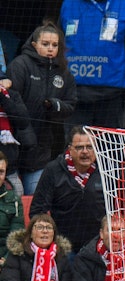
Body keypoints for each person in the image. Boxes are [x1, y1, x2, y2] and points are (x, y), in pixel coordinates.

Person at [7, 21, 77, 196]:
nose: (50, 49)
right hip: (13, 148)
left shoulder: (64, 72)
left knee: (36, 198)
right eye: (45, 44)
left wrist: (54, 105)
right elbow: (11, 100)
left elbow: (71, 105)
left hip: (41, 151)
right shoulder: (20, 65)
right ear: (34, 44)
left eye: (55, 45)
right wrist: (23, 130)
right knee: (16, 194)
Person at [59, 0, 125, 130]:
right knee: (77, 148)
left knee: (109, 149)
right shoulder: (68, 4)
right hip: (75, 97)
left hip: (112, 98)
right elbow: (56, 45)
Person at [29, 127, 104, 254]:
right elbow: (37, 211)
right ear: (69, 148)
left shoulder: (106, 171)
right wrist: (50, 241)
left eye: (90, 147)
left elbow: (116, 211)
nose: (85, 152)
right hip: (62, 248)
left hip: (97, 248)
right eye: (80, 147)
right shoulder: (53, 170)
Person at [0, 213, 73, 281]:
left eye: (49, 227)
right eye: (39, 227)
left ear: (54, 234)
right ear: (30, 233)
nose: (45, 231)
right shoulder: (17, 256)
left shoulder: (61, 258)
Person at [0, 152, 24, 269]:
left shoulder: (14, 200)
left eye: (1, 172)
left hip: (5, 260)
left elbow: (16, 236)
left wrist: (4, 260)